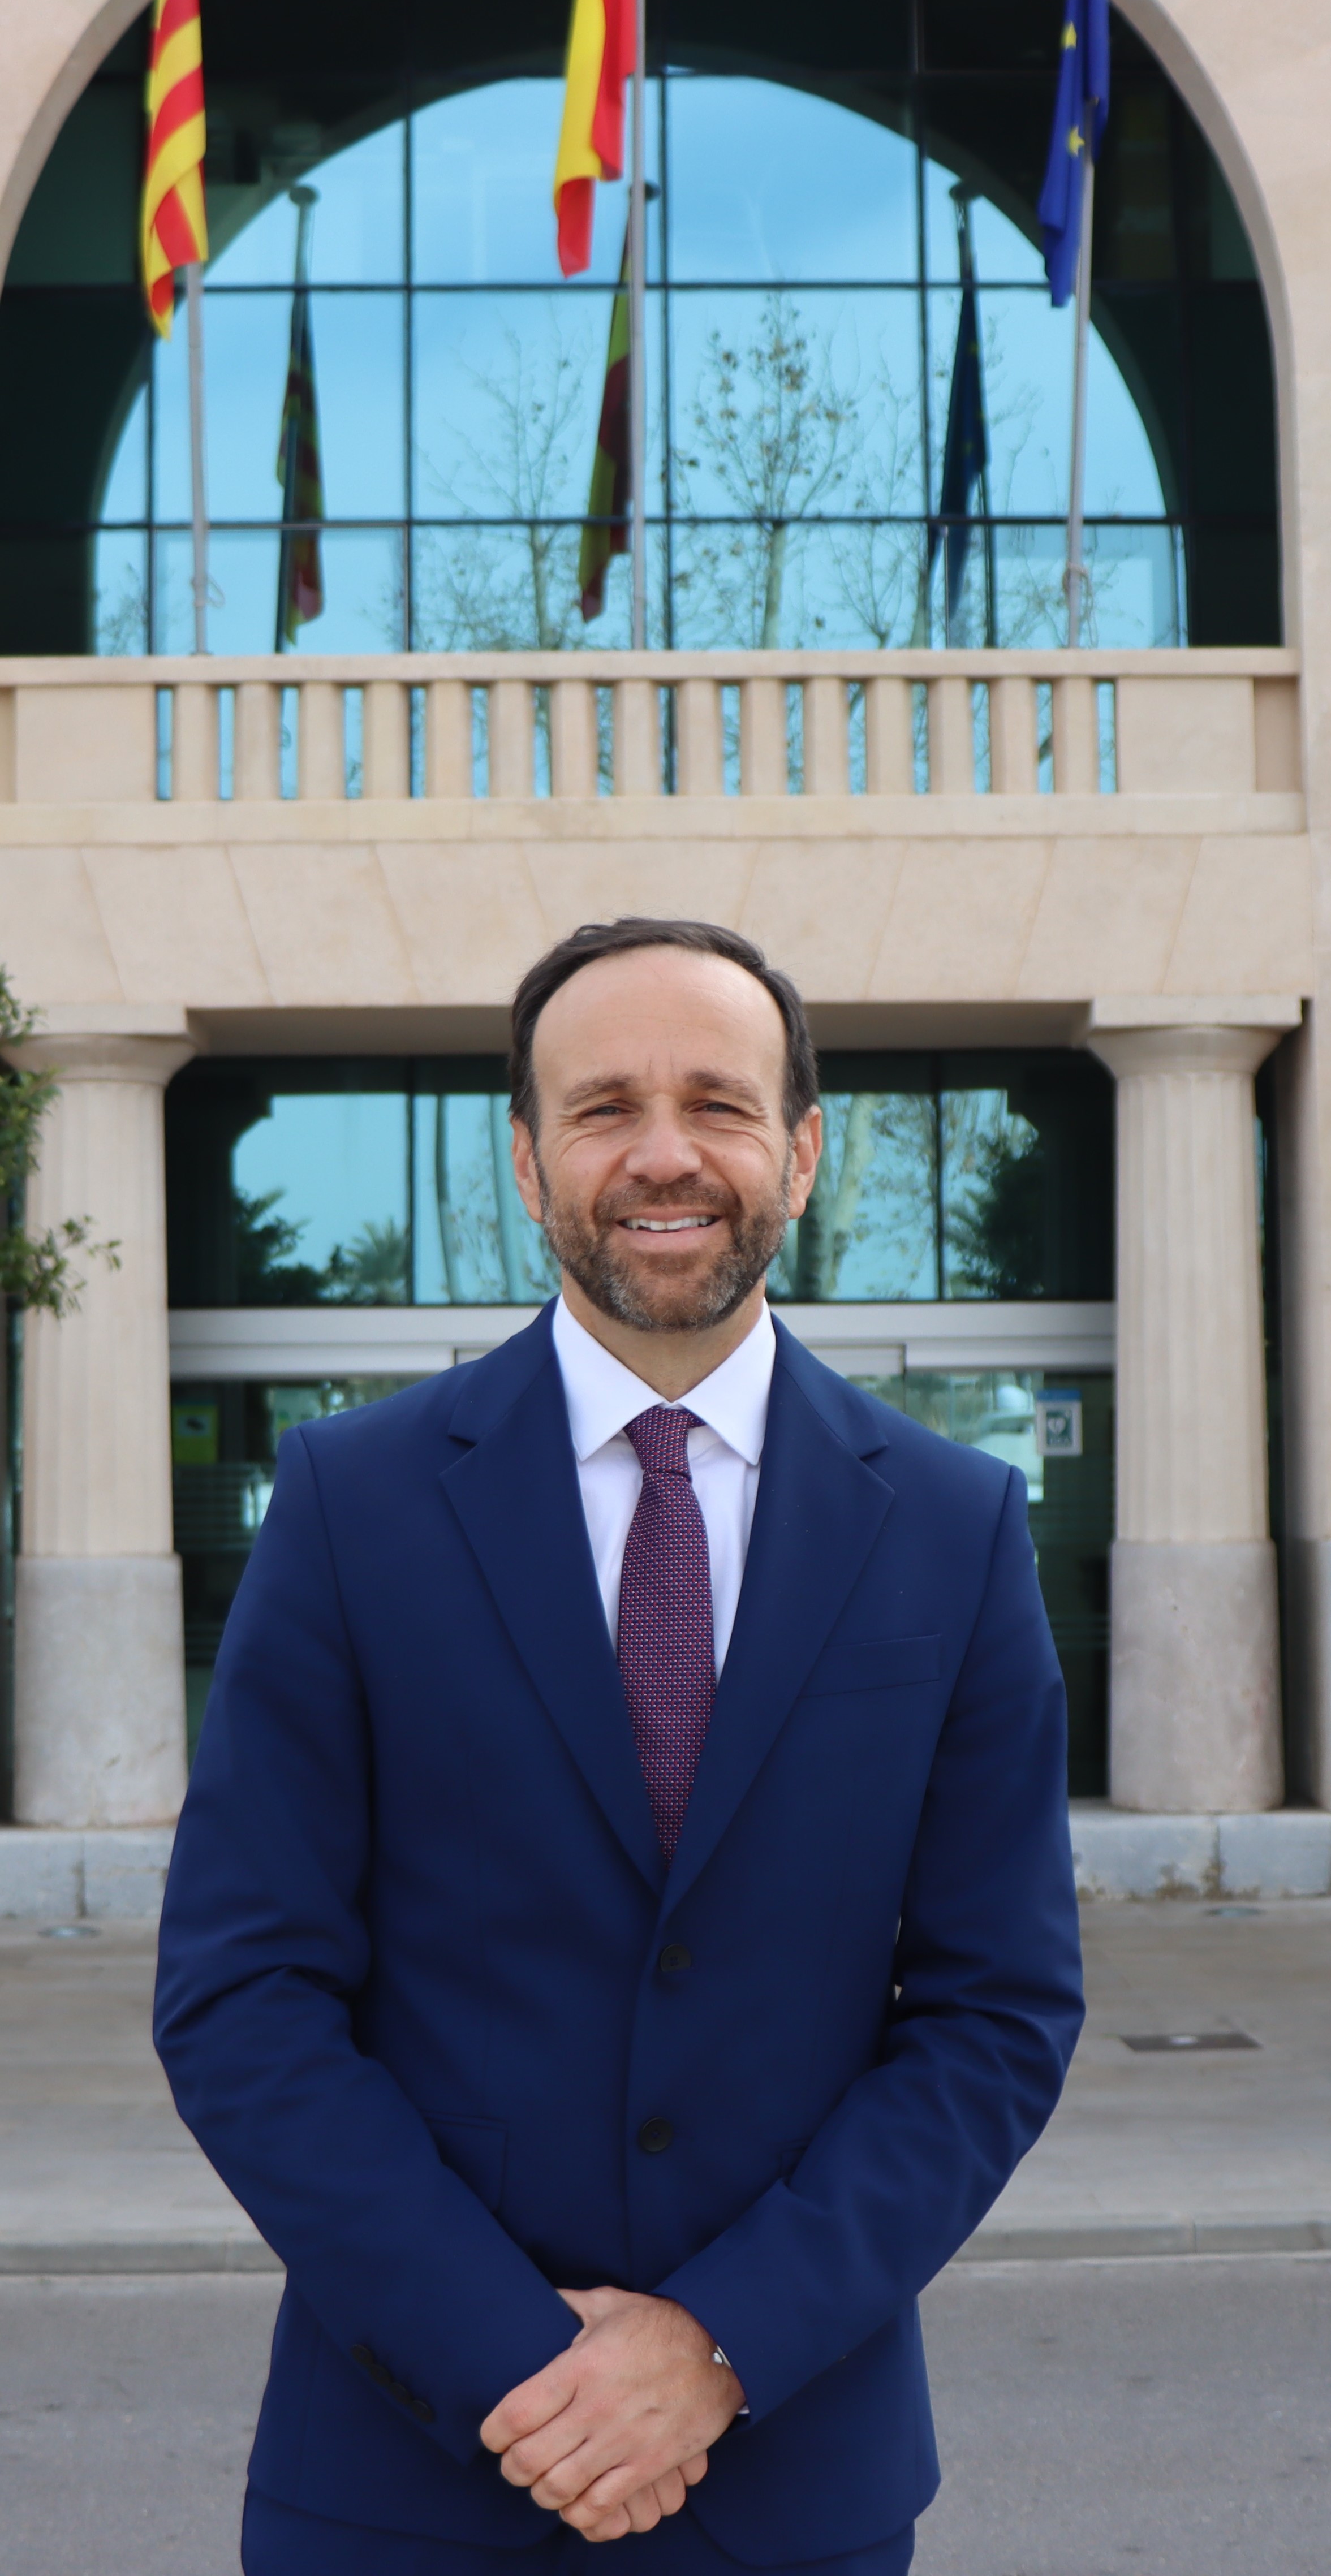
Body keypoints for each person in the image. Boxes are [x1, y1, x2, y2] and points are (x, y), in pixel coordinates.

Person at [154, 917, 1084, 2576]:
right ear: (527, 1161)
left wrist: (718, 2344)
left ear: (803, 1151)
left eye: (719, 1103)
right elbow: (243, 1995)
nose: (665, 1155)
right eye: (603, 1109)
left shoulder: (955, 1529)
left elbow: (995, 2011)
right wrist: (520, 2367)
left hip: (792, 2483)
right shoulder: (351, 1507)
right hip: (405, 2481)